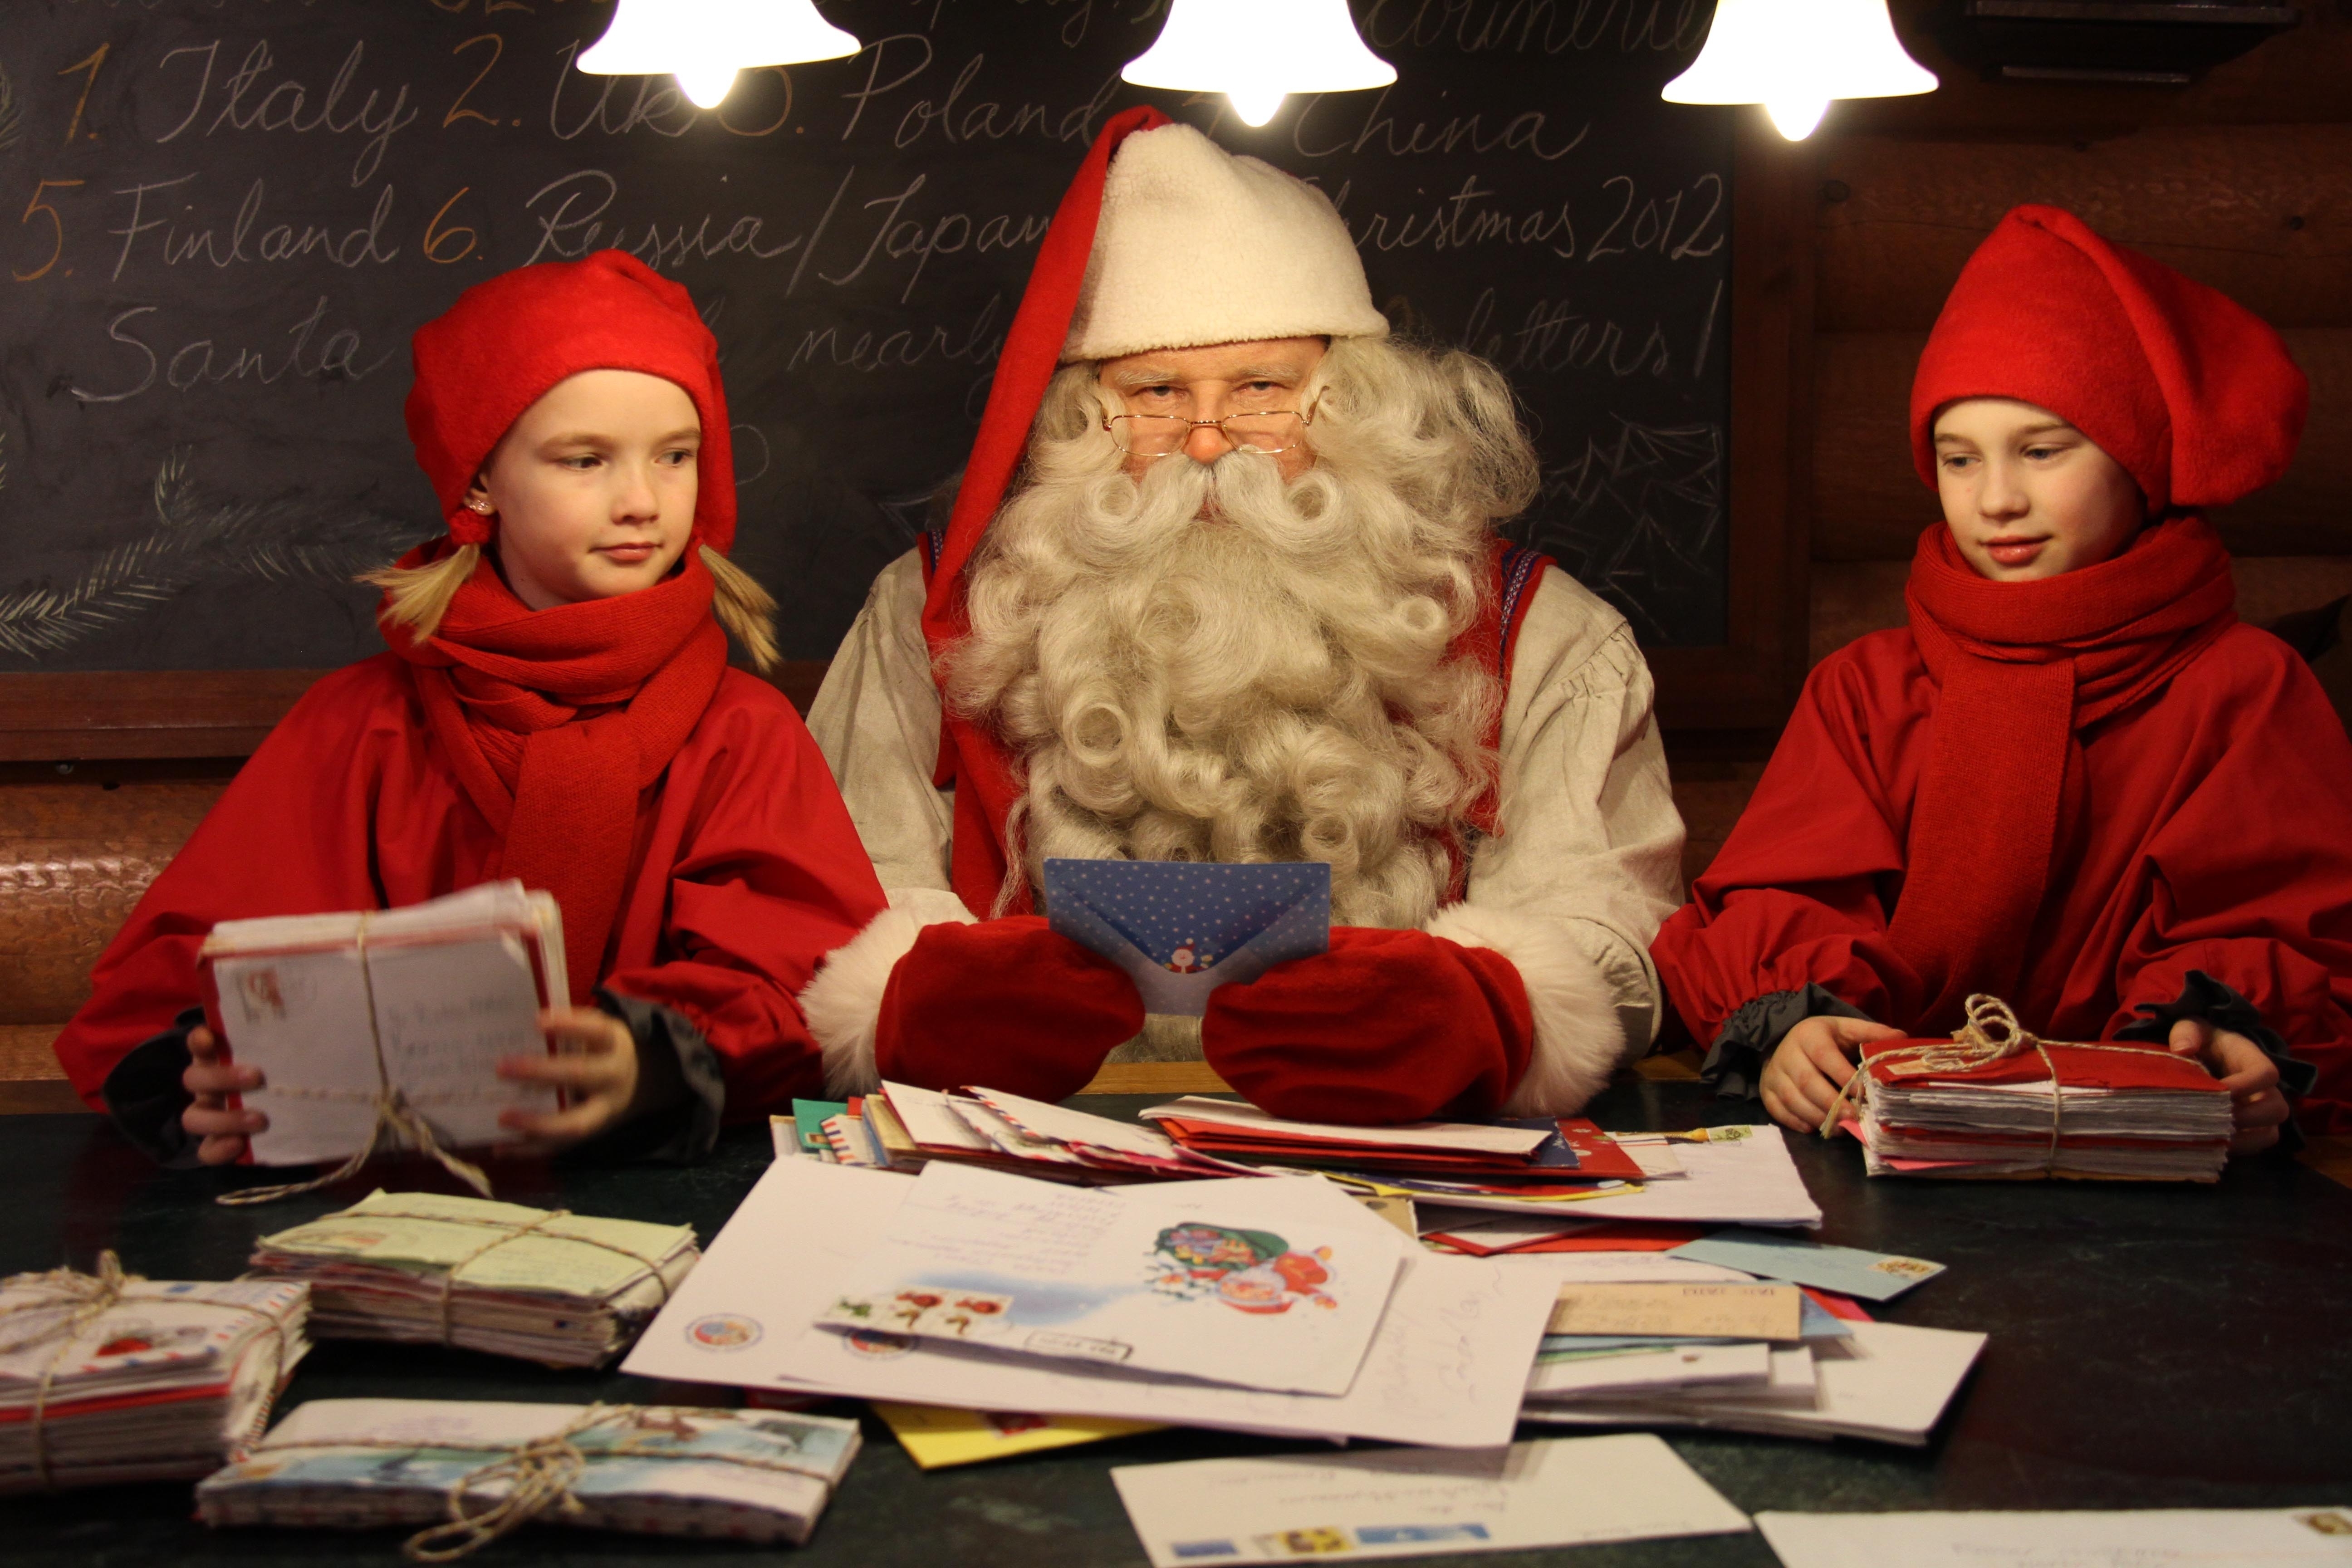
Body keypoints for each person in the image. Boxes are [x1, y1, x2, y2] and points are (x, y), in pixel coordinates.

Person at [799, 109, 1685, 1124]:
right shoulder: (926, 615)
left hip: (1402, 1144)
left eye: (1264, 388)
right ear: (1086, 417)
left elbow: (1608, 924)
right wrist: (914, 990)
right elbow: (843, 885)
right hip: (1028, 1156)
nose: (1210, 441)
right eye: (1160, 393)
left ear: (1350, 401)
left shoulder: (1548, 636)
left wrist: (1495, 1005)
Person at [54, 251, 887, 1165]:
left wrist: (647, 1065)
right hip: (372, 1217)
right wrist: (198, 1076)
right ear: (481, 481)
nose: (643, 501)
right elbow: (181, 976)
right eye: (585, 460)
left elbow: (801, 987)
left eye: (676, 456)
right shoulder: (362, 728)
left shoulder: (742, 734)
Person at [1651, 205, 2352, 1150]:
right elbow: (1786, 897)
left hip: (2159, 1176)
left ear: (2137, 457)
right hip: (1879, 1153)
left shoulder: (2243, 688)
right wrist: (1793, 1024)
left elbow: (2281, 922)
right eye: (1958, 458)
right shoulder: (1867, 687)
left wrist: (2238, 1035)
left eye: (2042, 450)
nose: (1997, 499)